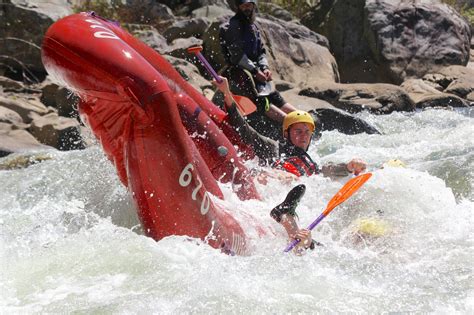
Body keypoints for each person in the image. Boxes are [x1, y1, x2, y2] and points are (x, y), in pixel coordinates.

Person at [219, 0, 297, 141]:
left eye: (249, 5)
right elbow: (237, 55)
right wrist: (255, 71)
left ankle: (296, 119)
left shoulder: (253, 26)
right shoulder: (233, 26)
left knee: (274, 95)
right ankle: (288, 123)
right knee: (261, 100)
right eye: (243, 5)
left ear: (254, 6)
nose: (247, 8)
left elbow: (261, 52)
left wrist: (265, 68)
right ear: (238, 7)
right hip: (240, 73)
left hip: (256, 72)